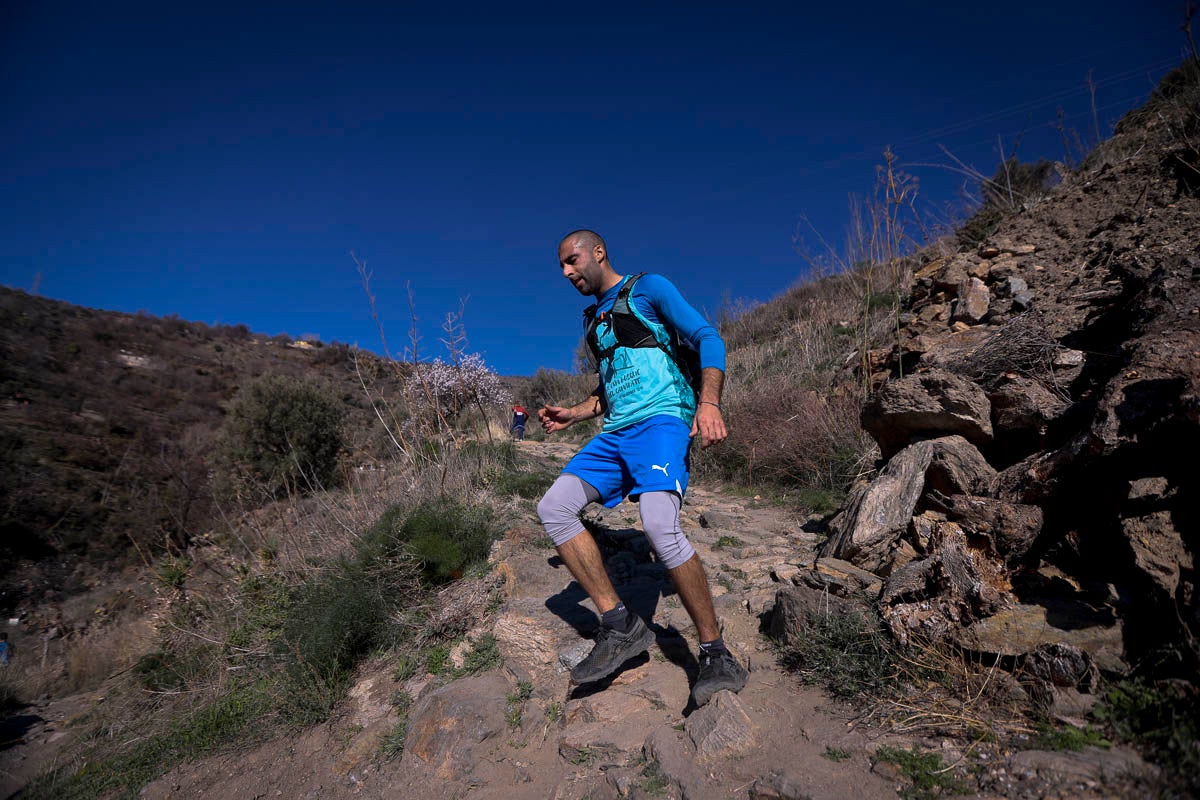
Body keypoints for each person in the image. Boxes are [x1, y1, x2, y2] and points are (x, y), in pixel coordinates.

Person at [536, 229, 747, 708]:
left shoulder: (647, 288)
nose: (567, 273)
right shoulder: (593, 321)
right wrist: (573, 413)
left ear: (598, 253)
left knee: (658, 525)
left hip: (663, 420)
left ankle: (715, 652)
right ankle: (621, 626)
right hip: (614, 434)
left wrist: (708, 402)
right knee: (554, 508)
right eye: (562, 267)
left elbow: (707, 337)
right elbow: (608, 389)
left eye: (572, 261)